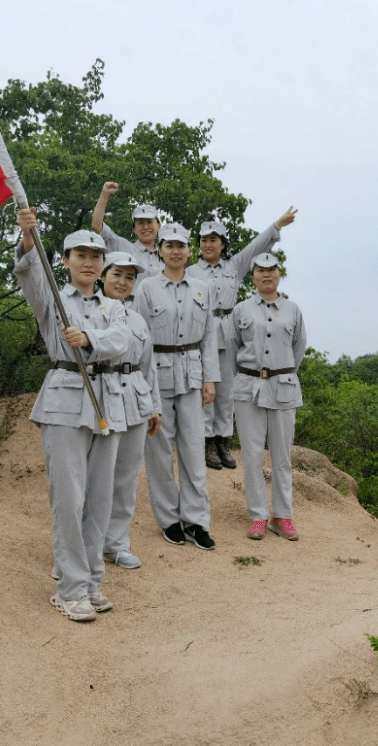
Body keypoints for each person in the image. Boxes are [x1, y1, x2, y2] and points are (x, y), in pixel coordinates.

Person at [14, 210, 130, 623]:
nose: (89, 262)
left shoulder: (114, 307)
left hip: (107, 403)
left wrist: (90, 338)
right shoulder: (54, 299)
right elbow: (30, 276)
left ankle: (91, 581)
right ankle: (70, 589)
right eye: (80, 254)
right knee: (69, 498)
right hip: (64, 400)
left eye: (96, 256)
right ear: (64, 260)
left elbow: (122, 340)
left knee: (99, 500)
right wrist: (29, 238)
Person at [187, 207, 298, 471]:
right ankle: (206, 441)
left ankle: (222, 440)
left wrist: (277, 225)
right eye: (203, 240)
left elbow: (256, 245)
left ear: (223, 244)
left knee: (227, 390)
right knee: (206, 388)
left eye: (214, 240)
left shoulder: (234, 266)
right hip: (202, 331)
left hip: (230, 331)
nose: (208, 244)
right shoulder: (190, 271)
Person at [131, 223, 219, 550]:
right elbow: (139, 335)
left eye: (181, 246)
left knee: (194, 448)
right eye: (169, 245)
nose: (176, 251)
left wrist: (211, 378)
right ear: (160, 250)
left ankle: (197, 521)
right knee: (159, 449)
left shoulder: (202, 288)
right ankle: (169, 519)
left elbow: (210, 336)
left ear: (189, 250)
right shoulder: (146, 288)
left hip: (193, 373)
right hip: (157, 373)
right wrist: (141, 383)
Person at [227, 252, 307, 541]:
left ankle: (282, 516)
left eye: (271, 269)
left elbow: (299, 347)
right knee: (251, 455)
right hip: (248, 387)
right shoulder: (242, 310)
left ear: (279, 274)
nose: (266, 275)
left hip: (283, 386)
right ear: (253, 276)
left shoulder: (292, 310)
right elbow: (232, 343)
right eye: (260, 270)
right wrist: (252, 373)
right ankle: (258, 515)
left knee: (283, 457)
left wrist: (280, 372)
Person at [98, 252, 163, 569]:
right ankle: (90, 543)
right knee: (98, 476)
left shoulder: (137, 319)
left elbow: (148, 366)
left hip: (136, 399)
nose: (123, 282)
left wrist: (154, 406)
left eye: (129, 277)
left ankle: (117, 544)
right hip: (102, 396)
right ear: (102, 275)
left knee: (125, 477)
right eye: (116, 274)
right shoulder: (89, 312)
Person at [90, 181, 163, 282]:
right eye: (140, 223)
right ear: (134, 229)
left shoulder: (168, 255)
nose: (145, 227)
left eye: (149, 222)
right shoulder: (123, 246)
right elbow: (97, 226)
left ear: (159, 226)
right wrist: (105, 194)